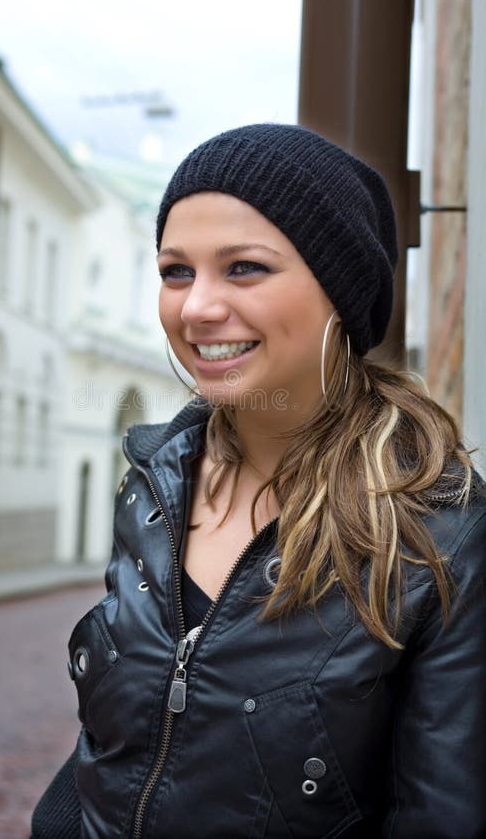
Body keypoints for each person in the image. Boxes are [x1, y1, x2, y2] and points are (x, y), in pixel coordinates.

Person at [31, 123, 486, 839]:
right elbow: (115, 753)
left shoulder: (439, 534)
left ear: (339, 288)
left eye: (243, 267)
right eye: (176, 271)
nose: (196, 306)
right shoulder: (156, 482)